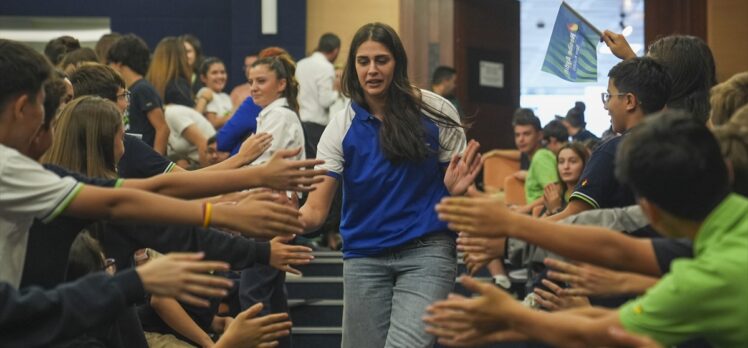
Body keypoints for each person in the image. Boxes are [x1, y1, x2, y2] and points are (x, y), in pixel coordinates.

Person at [428, 111, 748, 347]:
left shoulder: (707, 279)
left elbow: (606, 333)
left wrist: (512, 316)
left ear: (648, 210)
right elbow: (618, 247)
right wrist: (514, 226)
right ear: (727, 170)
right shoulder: (732, 225)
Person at [298, 22, 480, 348]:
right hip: (365, 256)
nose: (372, 70)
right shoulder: (340, 127)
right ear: (352, 66)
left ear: (397, 62)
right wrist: (281, 218)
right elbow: (314, 210)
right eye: (363, 61)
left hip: (427, 250)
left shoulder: (436, 111)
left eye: (381, 60)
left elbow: (462, 195)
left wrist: (458, 192)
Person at [550, 57, 672, 221]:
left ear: (629, 101)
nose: (606, 105)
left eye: (609, 96)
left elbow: (573, 218)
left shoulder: (613, 151)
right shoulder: (677, 143)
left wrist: (516, 227)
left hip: (620, 244)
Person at [602, 32, 716, 124]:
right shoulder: (714, 122)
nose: (606, 106)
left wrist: (630, 57)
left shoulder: (663, 134)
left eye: (653, 68)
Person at [107, 34, 170, 155]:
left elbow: (162, 128)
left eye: (111, 63)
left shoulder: (143, 89)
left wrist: (155, 162)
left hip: (145, 162)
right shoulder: (130, 90)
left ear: (119, 64)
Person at [295, 33, 341, 158]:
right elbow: (325, 101)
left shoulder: (300, 64)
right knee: (318, 166)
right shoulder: (326, 67)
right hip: (317, 126)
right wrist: (337, 91)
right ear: (336, 50)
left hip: (301, 122)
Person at [147, 36, 195, 108]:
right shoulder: (179, 86)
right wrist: (203, 99)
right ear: (181, 57)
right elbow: (189, 117)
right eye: (185, 52)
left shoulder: (147, 84)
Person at [197, 57, 234, 129]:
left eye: (222, 72)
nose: (220, 76)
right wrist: (236, 115)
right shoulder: (205, 92)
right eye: (214, 73)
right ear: (203, 78)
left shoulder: (225, 96)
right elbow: (212, 123)